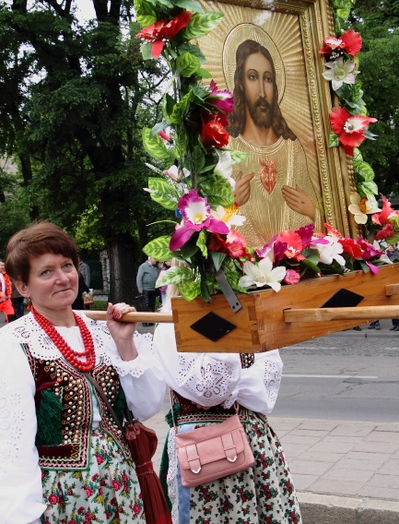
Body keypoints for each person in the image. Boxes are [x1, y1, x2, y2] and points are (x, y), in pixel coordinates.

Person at [0, 221, 166, 523]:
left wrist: (125, 342)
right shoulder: (16, 344)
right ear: (23, 287)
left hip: (124, 488)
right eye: (46, 272)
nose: (63, 278)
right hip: (65, 498)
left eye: (67, 266)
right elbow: (12, 447)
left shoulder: (102, 331)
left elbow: (146, 407)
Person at [153, 285, 302, 524]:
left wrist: (230, 386)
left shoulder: (249, 316)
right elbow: (208, 391)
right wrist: (234, 380)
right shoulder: (171, 325)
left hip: (253, 440)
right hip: (203, 450)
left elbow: (263, 392)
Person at [228, 39, 322, 248]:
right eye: (253, 77)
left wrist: (312, 213)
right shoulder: (228, 150)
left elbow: (322, 220)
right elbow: (216, 229)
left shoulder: (292, 150)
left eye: (268, 79)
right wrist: (230, 207)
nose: (262, 91)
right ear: (241, 83)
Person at [136, 255, 159, 324]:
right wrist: (140, 288)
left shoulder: (155, 267)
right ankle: (145, 321)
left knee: (152, 305)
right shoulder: (143, 266)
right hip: (145, 289)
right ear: (150, 258)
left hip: (153, 289)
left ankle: (151, 320)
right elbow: (139, 278)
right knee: (146, 305)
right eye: (155, 259)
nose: (156, 260)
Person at [0, 258, 14, 324]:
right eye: (1, 265)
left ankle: (11, 329)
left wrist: (9, 295)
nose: (2, 267)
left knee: (11, 315)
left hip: (5, 300)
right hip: (2, 297)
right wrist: (1, 294)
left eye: (3, 265)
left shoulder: (5, 274)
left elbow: (9, 286)